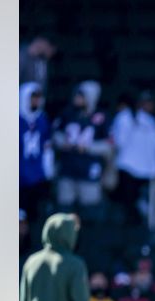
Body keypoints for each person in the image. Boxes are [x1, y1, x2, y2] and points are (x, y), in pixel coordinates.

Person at [53, 81, 110, 214]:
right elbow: (55, 134)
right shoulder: (67, 113)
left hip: (88, 171)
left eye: (81, 96)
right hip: (67, 169)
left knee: (88, 211)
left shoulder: (102, 117)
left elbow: (108, 145)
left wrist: (88, 148)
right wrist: (63, 143)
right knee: (64, 210)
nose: (77, 98)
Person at [109, 91, 155, 226]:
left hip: (147, 174)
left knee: (143, 210)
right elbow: (118, 142)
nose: (149, 106)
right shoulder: (124, 117)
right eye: (145, 102)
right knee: (126, 209)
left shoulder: (151, 121)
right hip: (127, 170)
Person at [19, 82, 53, 227]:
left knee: (34, 217)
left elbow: (47, 146)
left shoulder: (42, 119)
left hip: (37, 175)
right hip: (19, 176)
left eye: (38, 98)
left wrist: (48, 170)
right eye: (33, 97)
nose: (36, 101)